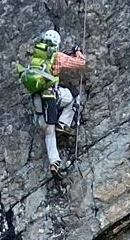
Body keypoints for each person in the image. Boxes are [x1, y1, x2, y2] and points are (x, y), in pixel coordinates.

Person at [16, 30, 86, 170]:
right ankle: (64, 123)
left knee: (49, 131)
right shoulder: (58, 56)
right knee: (74, 96)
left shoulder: (36, 59)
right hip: (52, 96)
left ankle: (55, 163)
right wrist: (77, 51)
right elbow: (81, 63)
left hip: (37, 101)